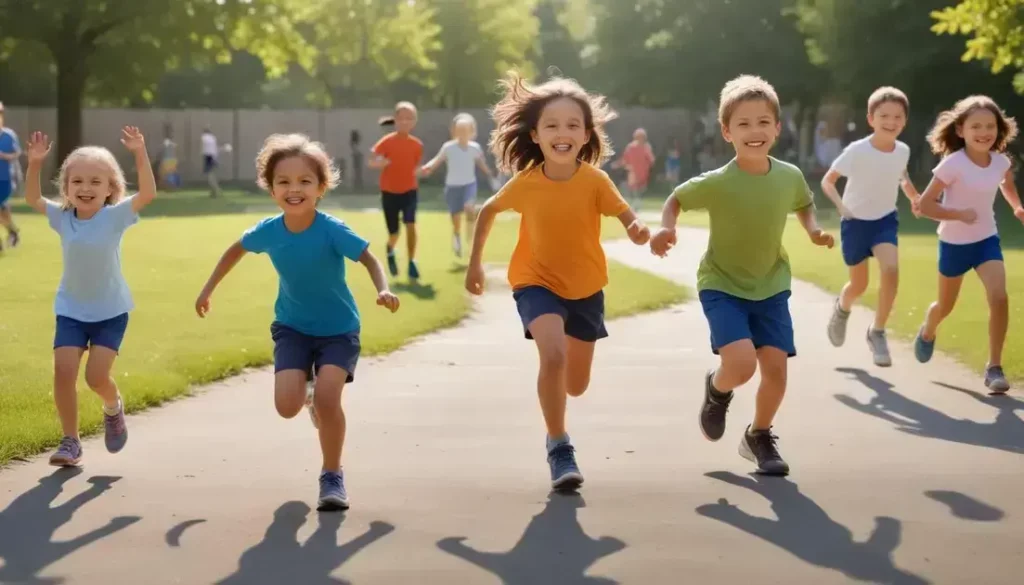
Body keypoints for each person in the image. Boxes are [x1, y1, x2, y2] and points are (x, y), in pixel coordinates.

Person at [464, 72, 651, 491]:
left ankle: (559, 402)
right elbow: (488, 211)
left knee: (575, 384)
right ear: (536, 134)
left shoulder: (595, 181)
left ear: (586, 135)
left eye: (572, 125)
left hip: (585, 288)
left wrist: (640, 231)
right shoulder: (526, 182)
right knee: (552, 356)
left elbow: (627, 217)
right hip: (536, 281)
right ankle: (558, 444)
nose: (562, 133)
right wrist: (474, 265)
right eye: (552, 125)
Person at [195, 134, 400, 511]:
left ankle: (332, 476)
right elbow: (235, 250)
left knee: (329, 399)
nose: (294, 189)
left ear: (321, 187)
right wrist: (208, 290)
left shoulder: (331, 229)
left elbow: (370, 259)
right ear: (271, 188)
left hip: (338, 330)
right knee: (287, 407)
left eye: (304, 181)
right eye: (284, 182)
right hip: (292, 327)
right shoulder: (269, 230)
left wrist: (383, 290)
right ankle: (306, 395)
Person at [650, 75, 834, 476]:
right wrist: (666, 228)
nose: (755, 131)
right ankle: (717, 391)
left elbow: (803, 203)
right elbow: (676, 198)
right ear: (727, 131)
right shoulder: (719, 182)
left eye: (763, 122)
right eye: (744, 124)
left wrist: (814, 230)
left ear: (778, 128)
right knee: (741, 364)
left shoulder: (789, 176)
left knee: (776, 372)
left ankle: (759, 435)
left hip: (771, 285)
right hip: (722, 284)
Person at [21, 127, 158, 467]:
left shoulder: (115, 216)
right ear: (66, 187)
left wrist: (140, 153)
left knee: (95, 378)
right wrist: (35, 162)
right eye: (77, 181)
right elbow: (33, 200)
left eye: (96, 182)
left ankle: (113, 408)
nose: (85, 188)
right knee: (63, 372)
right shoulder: (62, 217)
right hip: (71, 309)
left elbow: (148, 194)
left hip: (111, 312)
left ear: (112, 188)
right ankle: (70, 441)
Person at [913, 95, 1023, 394]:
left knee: (999, 298)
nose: (984, 132)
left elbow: (1007, 185)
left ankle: (994, 367)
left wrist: (1017, 207)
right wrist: (957, 214)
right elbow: (925, 205)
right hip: (953, 244)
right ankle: (928, 330)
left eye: (990, 126)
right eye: (976, 126)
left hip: (987, 240)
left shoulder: (1001, 162)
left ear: (998, 130)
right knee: (945, 306)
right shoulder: (953, 164)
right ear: (961, 130)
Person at [821, 87, 921, 367]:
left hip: (885, 220)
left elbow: (901, 176)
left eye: (897, 116)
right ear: (871, 119)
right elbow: (828, 181)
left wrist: (914, 197)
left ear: (905, 120)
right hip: (855, 223)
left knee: (890, 269)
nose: (891, 121)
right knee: (859, 285)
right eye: (884, 115)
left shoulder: (902, 150)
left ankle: (877, 331)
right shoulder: (857, 150)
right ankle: (842, 308)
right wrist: (841, 208)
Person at [419, 113, 497, 257]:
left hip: (469, 185)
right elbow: (437, 160)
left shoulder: (475, 148)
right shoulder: (448, 147)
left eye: (466, 130)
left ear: (471, 132)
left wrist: (490, 175)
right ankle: (456, 236)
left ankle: (471, 243)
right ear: (454, 132)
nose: (462, 133)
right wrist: (427, 168)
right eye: (459, 130)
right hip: (452, 187)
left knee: (469, 209)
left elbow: (481, 164)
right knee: (456, 219)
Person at [369, 102, 423, 279]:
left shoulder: (417, 145)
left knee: (411, 224)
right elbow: (371, 161)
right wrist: (381, 163)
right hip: (389, 192)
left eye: (409, 118)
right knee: (394, 232)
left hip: (410, 190)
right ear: (395, 120)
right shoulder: (386, 142)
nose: (405, 122)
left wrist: (420, 171)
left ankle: (411, 262)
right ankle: (390, 249)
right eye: (401, 118)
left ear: (414, 122)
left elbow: (415, 166)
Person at [613, 128, 656, 210]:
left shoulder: (645, 147)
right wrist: (618, 164)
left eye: (642, 137)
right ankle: (635, 205)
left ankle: (636, 204)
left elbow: (651, 160)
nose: (641, 139)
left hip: (642, 173)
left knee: (638, 189)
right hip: (633, 172)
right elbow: (625, 159)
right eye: (639, 137)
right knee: (634, 189)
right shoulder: (631, 147)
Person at [0, 102, 22, 250]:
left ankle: (12, 232)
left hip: (5, 179)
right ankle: (12, 231)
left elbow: (17, 153)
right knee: (2, 211)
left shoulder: (9, 135)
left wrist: (3, 155)